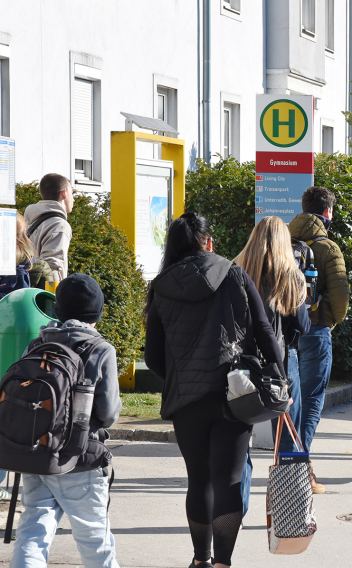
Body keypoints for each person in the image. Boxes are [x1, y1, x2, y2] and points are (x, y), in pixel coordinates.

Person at [145, 212, 284, 568]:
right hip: (234, 394)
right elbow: (265, 331)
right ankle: (223, 561)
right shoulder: (233, 274)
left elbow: (154, 356)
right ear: (208, 241)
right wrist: (278, 374)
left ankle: (200, 559)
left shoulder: (161, 285)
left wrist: (179, 377)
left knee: (199, 479)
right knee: (229, 479)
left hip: (186, 399)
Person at [11, 274, 121, 568]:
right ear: (97, 312)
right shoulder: (101, 349)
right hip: (80, 458)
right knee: (95, 539)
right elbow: (108, 412)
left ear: (57, 310)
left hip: (38, 455)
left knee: (33, 530)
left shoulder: (38, 345)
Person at [233, 216, 311, 513]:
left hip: (240, 364)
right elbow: (301, 327)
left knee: (239, 441)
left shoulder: (236, 271)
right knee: (289, 437)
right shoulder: (292, 276)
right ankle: (289, 510)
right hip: (280, 364)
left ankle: (236, 509)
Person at [288, 187, 349, 490]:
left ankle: (288, 462)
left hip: (286, 331)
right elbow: (340, 297)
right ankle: (301, 468)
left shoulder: (283, 239)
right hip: (315, 328)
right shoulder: (328, 247)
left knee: (291, 401)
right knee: (312, 398)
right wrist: (328, 322)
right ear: (327, 213)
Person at [24, 173, 74, 282]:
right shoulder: (59, 225)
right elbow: (53, 269)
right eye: (72, 193)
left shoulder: (28, 220)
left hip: (24, 291)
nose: (73, 199)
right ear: (64, 193)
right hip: (42, 294)